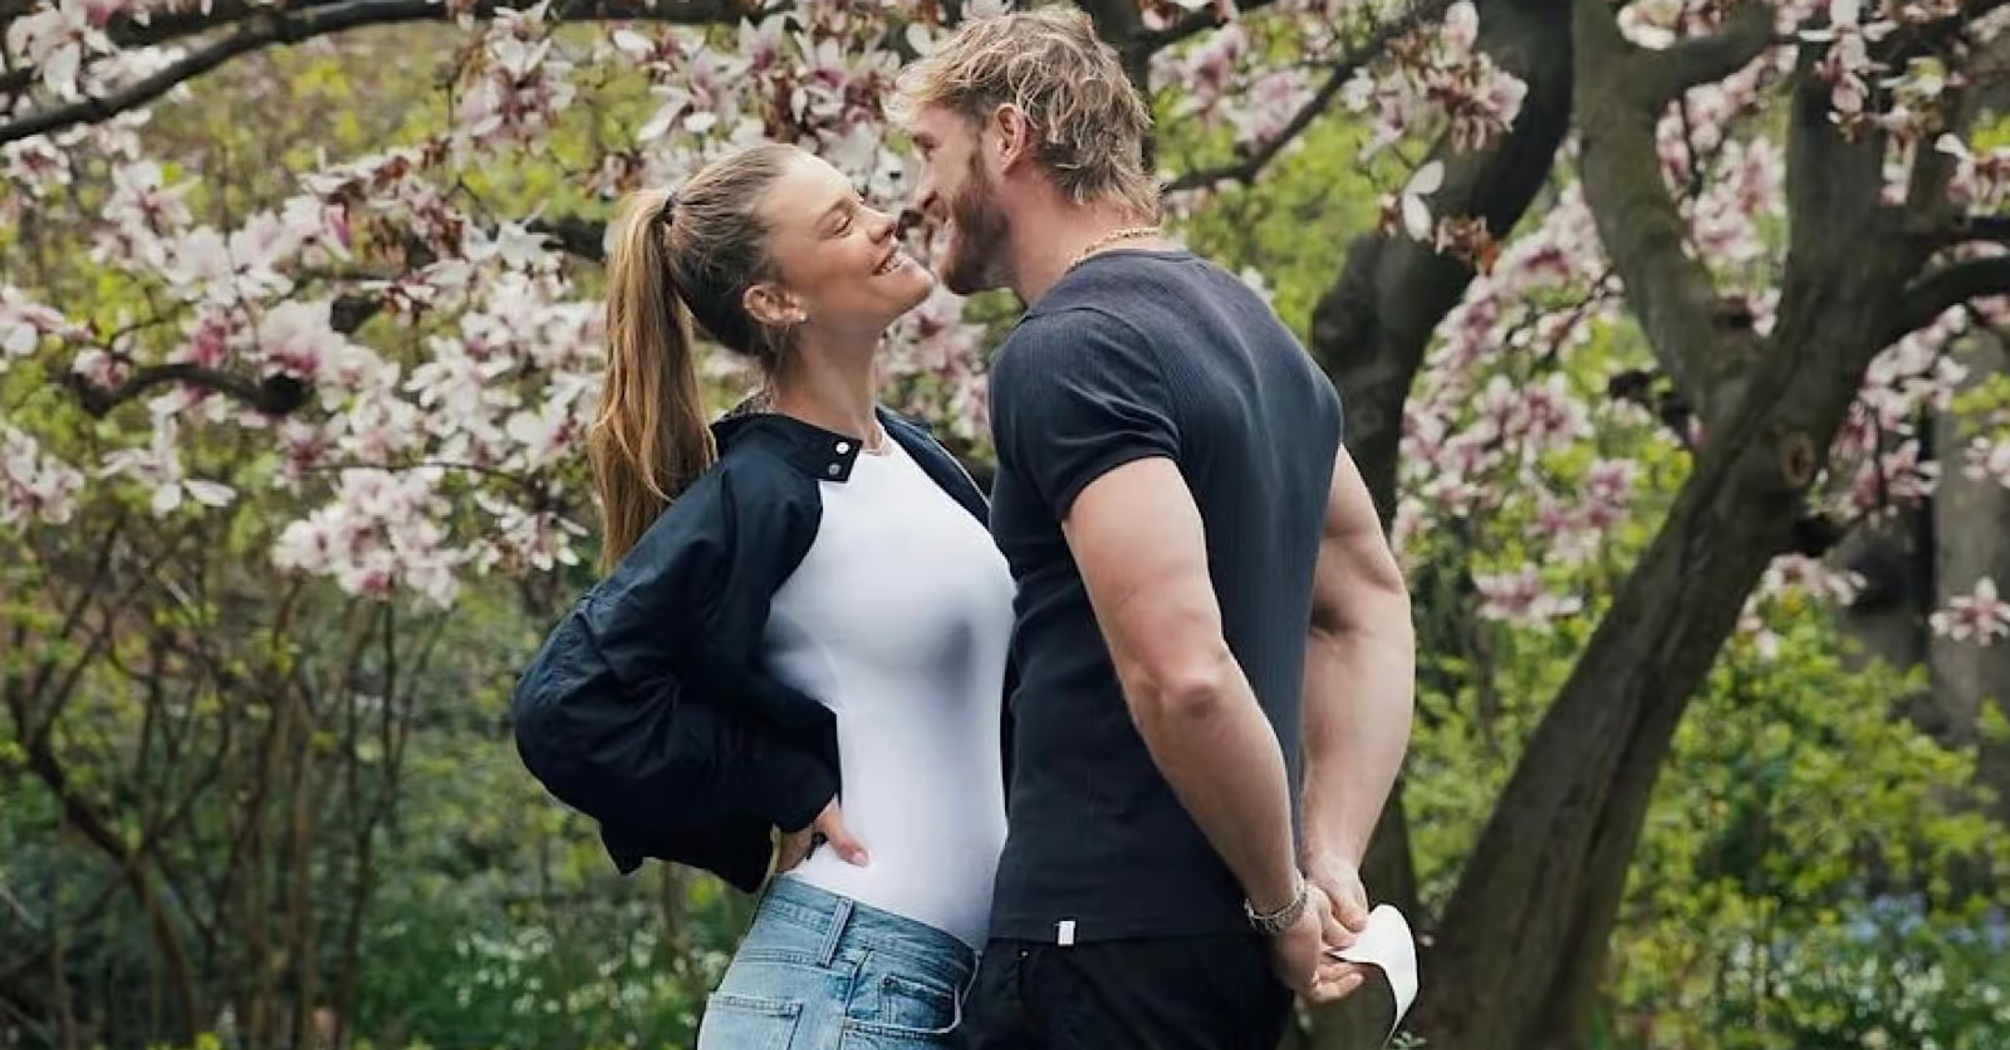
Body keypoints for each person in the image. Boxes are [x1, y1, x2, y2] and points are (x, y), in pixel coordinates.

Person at [892, 8, 1418, 1049]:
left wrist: (1287, 900)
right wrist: (1330, 856)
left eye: (929, 151)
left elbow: (1181, 671)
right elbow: (1367, 606)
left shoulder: (1072, 348)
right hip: (1213, 972)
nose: (916, 194)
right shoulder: (1260, 339)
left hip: (1102, 953)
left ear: (1007, 137)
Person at [509, 142, 1016, 1050]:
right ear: (777, 302)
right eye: (841, 221)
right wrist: (776, 777)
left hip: (959, 987)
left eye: (864, 198)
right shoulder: (758, 488)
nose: (883, 220)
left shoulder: (917, 460)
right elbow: (565, 706)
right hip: (846, 985)